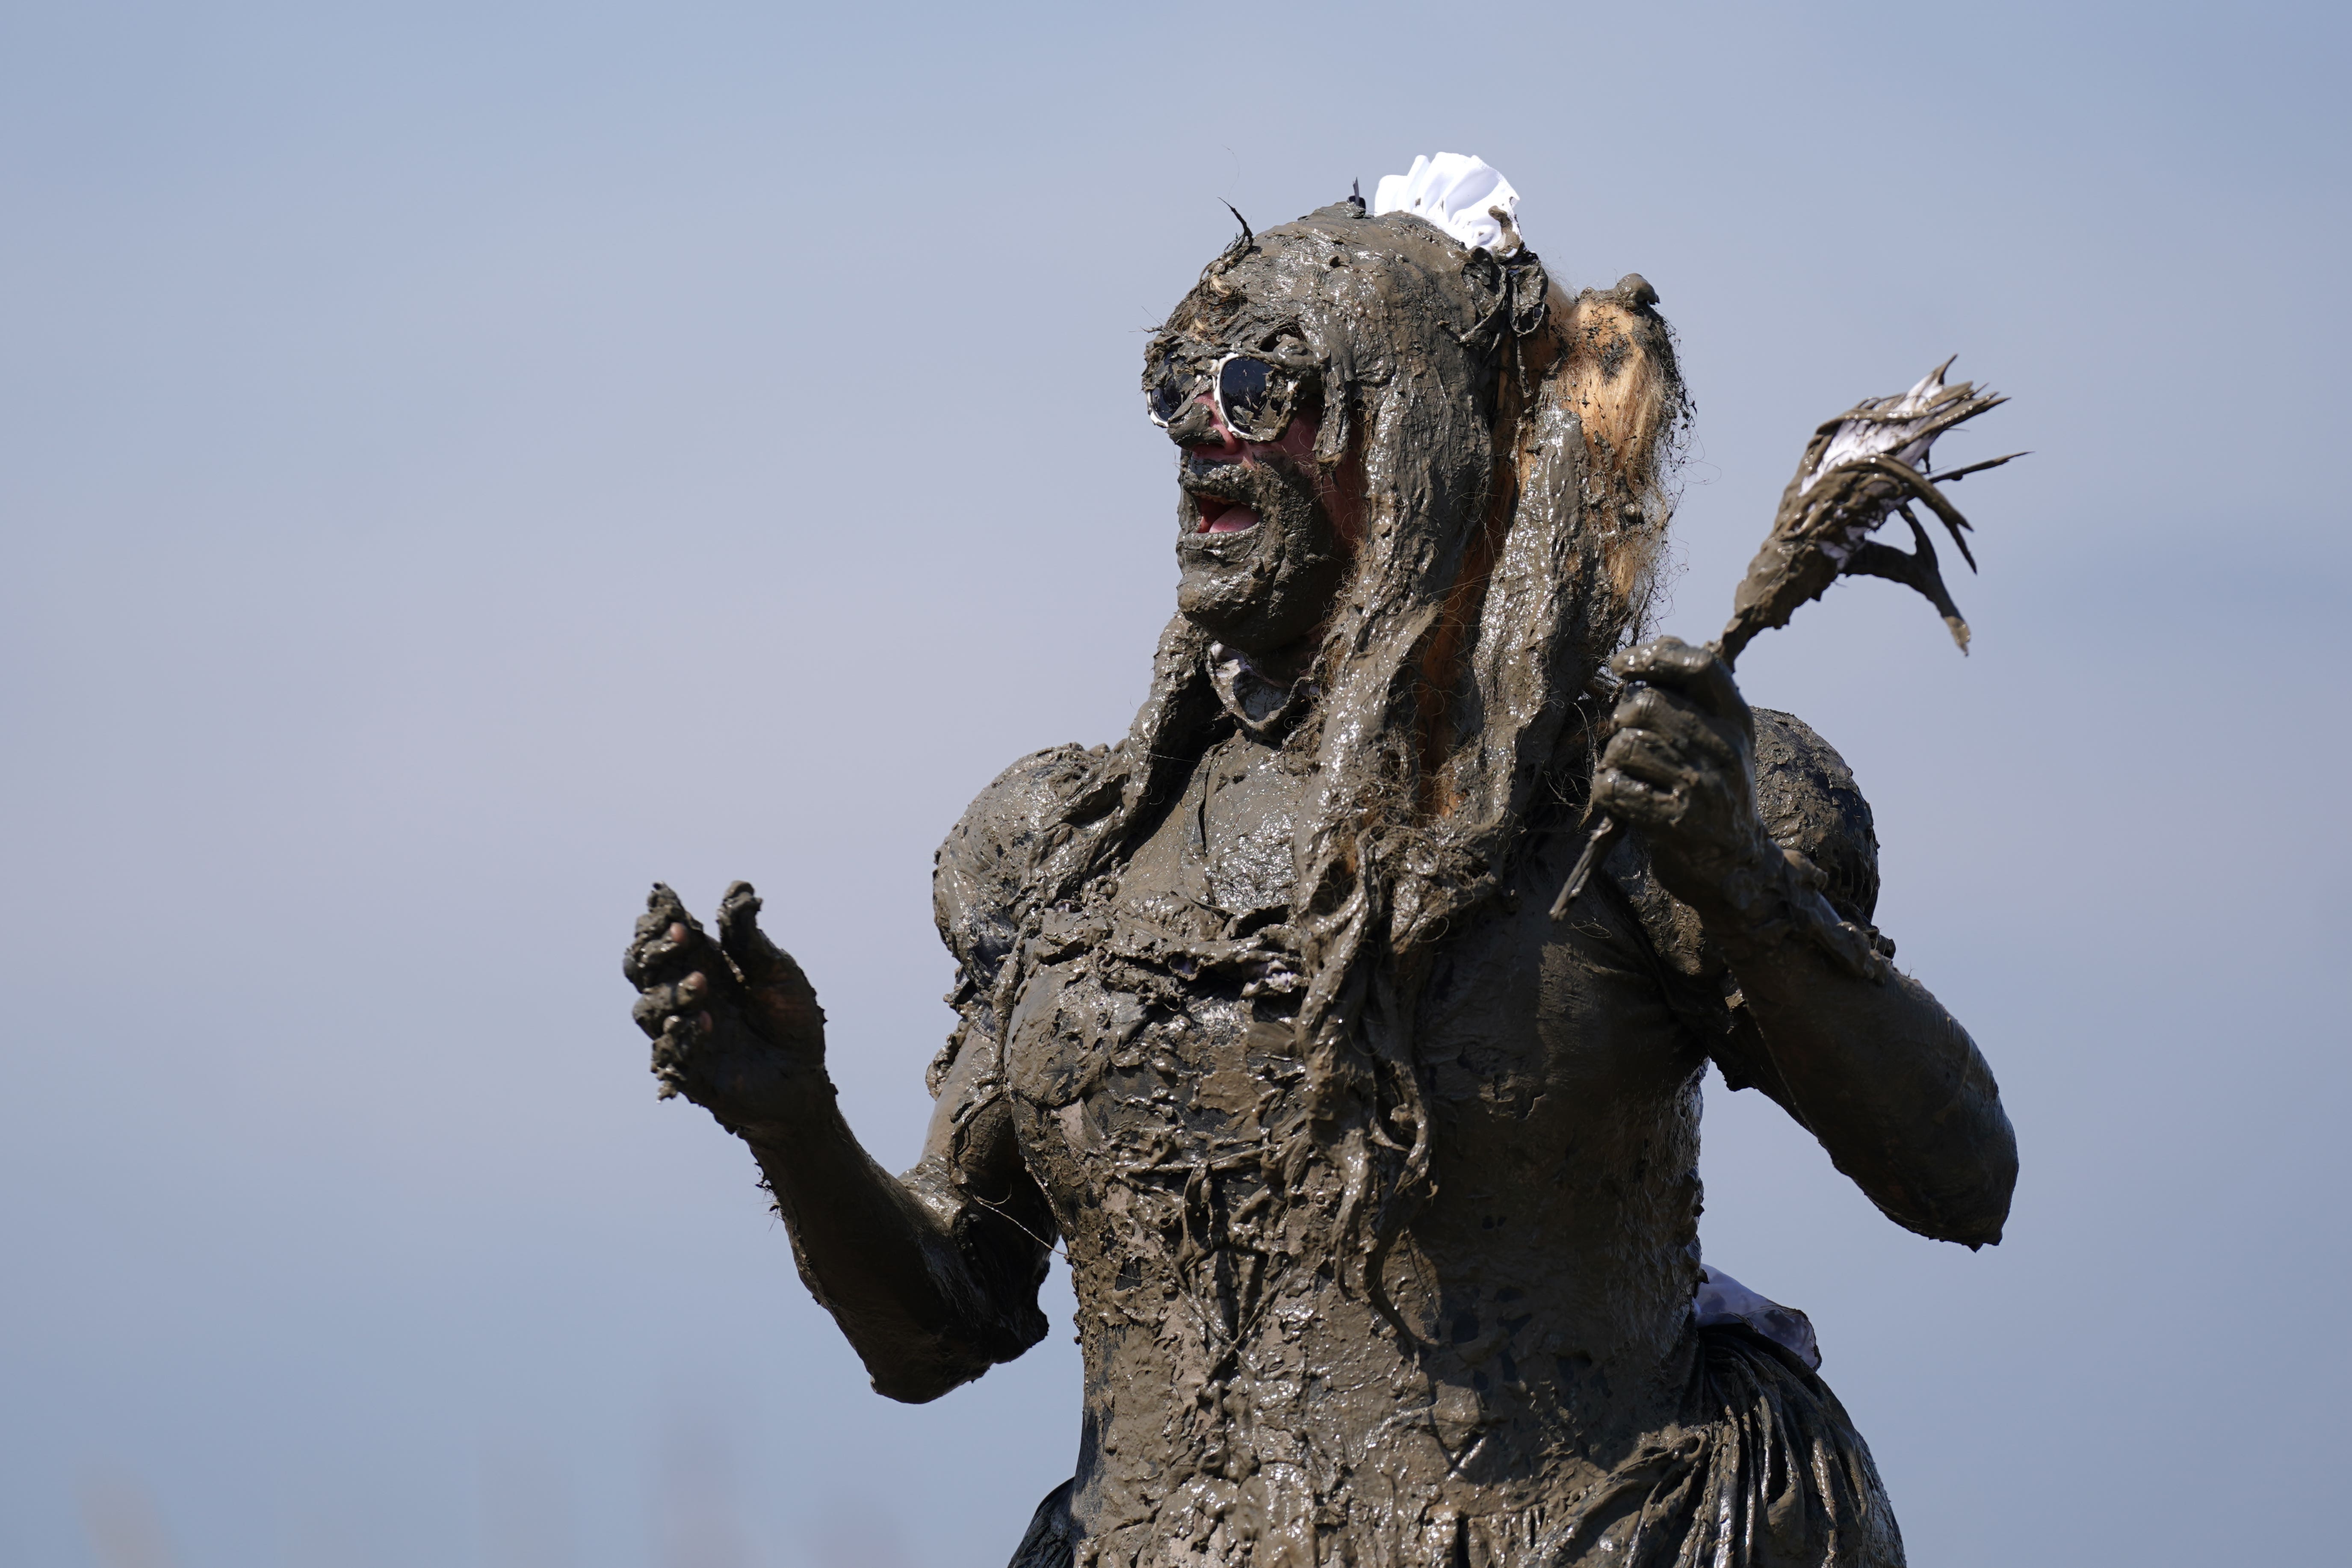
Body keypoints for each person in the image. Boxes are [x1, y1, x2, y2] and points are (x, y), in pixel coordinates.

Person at [624, 172, 2016, 1568]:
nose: (1196, 437)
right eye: (1176, 389)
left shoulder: (1629, 808)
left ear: (1416, 432)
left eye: (1258, 389)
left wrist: (1746, 889)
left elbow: (1960, 1178)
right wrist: (790, 1120)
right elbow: (934, 1325)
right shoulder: (1079, 854)